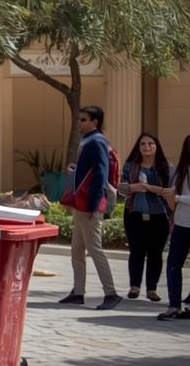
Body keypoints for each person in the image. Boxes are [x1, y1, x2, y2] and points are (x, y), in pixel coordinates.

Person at [59, 105, 120, 310]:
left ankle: (111, 293)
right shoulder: (88, 140)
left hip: (89, 205)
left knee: (95, 249)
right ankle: (78, 292)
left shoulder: (97, 141)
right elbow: (90, 171)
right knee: (77, 249)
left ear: (95, 122)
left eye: (83, 120)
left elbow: (101, 174)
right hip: (81, 203)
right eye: (79, 119)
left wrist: (94, 205)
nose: (79, 123)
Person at [121, 132, 173, 301]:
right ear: (138, 147)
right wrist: (133, 187)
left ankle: (152, 288)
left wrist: (152, 188)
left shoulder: (166, 168)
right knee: (136, 251)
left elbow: (171, 192)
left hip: (159, 216)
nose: (146, 147)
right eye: (143, 144)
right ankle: (134, 286)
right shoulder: (130, 166)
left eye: (150, 143)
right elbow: (121, 189)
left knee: (155, 253)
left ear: (156, 146)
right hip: (134, 214)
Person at [159, 134, 190, 321]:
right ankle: (174, 305)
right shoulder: (181, 171)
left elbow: (177, 197)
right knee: (173, 265)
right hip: (181, 224)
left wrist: (177, 198)